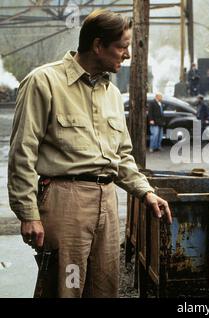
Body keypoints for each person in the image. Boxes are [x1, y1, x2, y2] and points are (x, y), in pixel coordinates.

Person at [7, 9, 172, 298]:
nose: (128, 54)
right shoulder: (44, 82)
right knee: (65, 288)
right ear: (98, 45)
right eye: (122, 47)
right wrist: (28, 214)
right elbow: (22, 153)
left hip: (107, 202)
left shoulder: (110, 92)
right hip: (65, 202)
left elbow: (121, 157)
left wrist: (145, 192)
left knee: (104, 288)